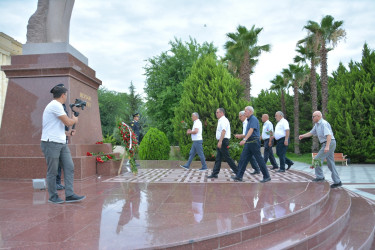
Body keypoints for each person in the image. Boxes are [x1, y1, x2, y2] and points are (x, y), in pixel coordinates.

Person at [40, 84, 86, 204]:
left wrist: (68, 133)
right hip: (51, 143)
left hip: (60, 142)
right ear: (62, 95)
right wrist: (75, 120)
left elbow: (57, 127)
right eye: (66, 94)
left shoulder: (57, 105)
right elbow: (68, 121)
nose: (66, 97)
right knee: (53, 171)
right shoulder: (55, 105)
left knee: (69, 167)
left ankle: (69, 194)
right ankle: (53, 196)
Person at [299, 111, 342, 188]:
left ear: (318, 116)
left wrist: (327, 146)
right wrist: (303, 136)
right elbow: (311, 132)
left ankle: (320, 177)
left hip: (329, 143)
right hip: (328, 143)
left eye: (313, 116)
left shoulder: (323, 123)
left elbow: (329, 135)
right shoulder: (317, 124)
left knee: (317, 159)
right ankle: (337, 182)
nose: (312, 118)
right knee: (331, 163)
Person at [232, 106, 271, 183]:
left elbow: (251, 130)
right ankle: (239, 176)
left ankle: (267, 176)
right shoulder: (249, 120)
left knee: (259, 159)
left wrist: (244, 139)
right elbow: (248, 132)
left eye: (245, 111)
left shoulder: (253, 119)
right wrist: (244, 138)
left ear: (250, 112)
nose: (244, 112)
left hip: (254, 142)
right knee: (243, 158)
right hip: (249, 142)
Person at [207, 108, 238, 178]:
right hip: (222, 140)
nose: (216, 114)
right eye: (216, 112)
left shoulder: (223, 120)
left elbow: (223, 131)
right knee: (218, 158)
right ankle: (215, 173)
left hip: (223, 141)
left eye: (217, 112)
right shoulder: (221, 120)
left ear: (222, 113)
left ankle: (238, 172)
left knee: (227, 158)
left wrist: (220, 141)